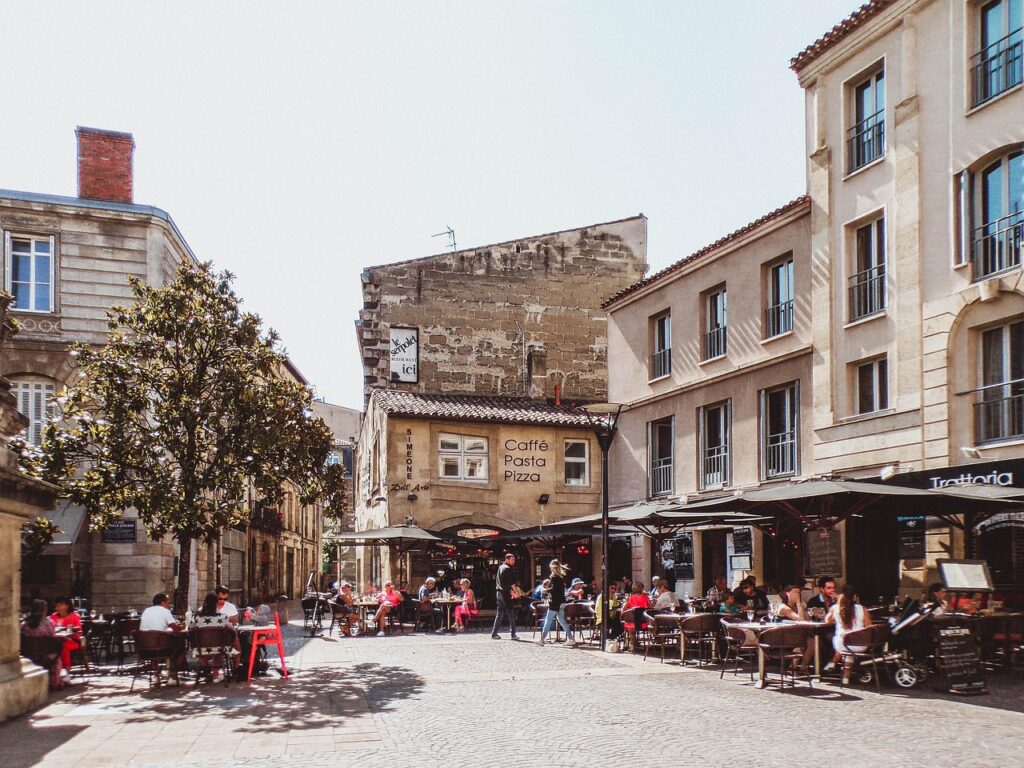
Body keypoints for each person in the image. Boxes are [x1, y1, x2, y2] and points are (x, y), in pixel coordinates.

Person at [827, 584, 872, 684]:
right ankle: (846, 677)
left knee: (840, 640)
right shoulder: (862, 609)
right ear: (855, 597)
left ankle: (834, 665)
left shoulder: (836, 608)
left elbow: (827, 620)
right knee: (849, 647)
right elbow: (869, 627)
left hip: (843, 645)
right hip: (861, 645)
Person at [190, 592, 240, 681]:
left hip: (201, 649)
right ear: (216, 604)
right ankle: (231, 669)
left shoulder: (197, 617)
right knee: (227, 643)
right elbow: (231, 629)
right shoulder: (223, 617)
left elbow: (190, 628)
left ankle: (206, 667)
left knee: (206, 644)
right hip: (221, 648)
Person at [21, 599, 63, 687]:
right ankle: (55, 681)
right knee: (58, 653)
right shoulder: (49, 623)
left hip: (28, 654)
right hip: (45, 654)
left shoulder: (24, 624)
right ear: (44, 610)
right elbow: (52, 637)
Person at [539, 560, 575, 646]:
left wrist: (546, 590)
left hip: (555, 602)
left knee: (548, 620)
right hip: (562, 602)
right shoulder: (561, 577)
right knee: (562, 621)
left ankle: (542, 639)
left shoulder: (553, 577)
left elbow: (554, 590)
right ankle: (571, 638)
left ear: (552, 568)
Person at [50, 595, 83, 679]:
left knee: (63, 646)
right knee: (58, 646)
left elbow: (79, 632)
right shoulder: (53, 617)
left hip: (73, 641)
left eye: (61, 605)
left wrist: (72, 633)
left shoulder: (74, 616)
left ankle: (65, 671)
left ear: (67, 605)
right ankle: (58, 671)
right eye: (57, 605)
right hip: (57, 640)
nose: (58, 607)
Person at [491, 553, 519, 640]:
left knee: (500, 614)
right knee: (511, 614)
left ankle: (494, 633)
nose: (513, 561)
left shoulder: (500, 567)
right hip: (505, 593)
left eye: (514, 560)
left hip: (499, 593)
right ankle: (513, 634)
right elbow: (511, 583)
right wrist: (516, 592)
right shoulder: (507, 569)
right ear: (507, 559)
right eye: (512, 560)